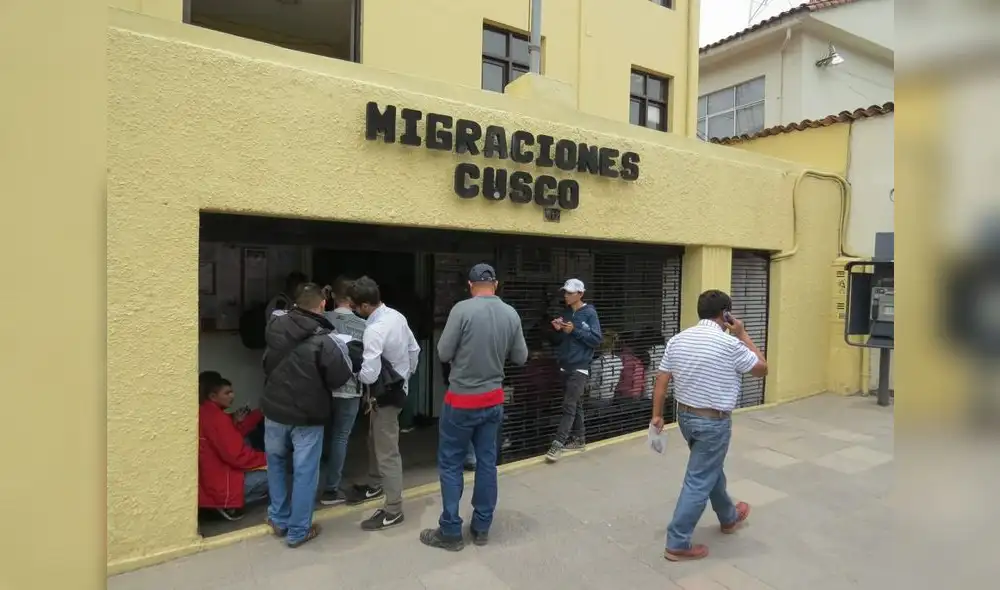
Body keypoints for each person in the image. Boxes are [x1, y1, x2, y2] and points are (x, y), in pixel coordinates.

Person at [651, 289, 768, 562]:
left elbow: (661, 379)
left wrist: (657, 415)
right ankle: (677, 542)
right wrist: (741, 333)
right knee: (699, 478)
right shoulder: (730, 344)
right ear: (725, 314)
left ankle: (729, 517)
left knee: (708, 467)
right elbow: (763, 368)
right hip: (712, 421)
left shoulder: (678, 340)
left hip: (686, 418)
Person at [420, 263, 528, 551]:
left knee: (452, 464)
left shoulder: (462, 310)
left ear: (470, 285)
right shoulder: (510, 313)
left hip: (461, 401)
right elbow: (521, 356)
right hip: (493, 399)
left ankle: (451, 531)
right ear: (496, 284)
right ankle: (481, 528)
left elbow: (443, 352)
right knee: (487, 463)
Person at [260, 283, 355, 548]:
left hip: (274, 409)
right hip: (307, 415)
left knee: (276, 462)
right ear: (322, 304)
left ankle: (279, 519)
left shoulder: (274, 327)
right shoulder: (324, 339)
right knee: (305, 470)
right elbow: (339, 378)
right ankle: (298, 530)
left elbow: (266, 363)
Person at [346, 276, 421, 531]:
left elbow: (369, 373)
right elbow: (415, 349)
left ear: (366, 305)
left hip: (385, 398)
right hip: (398, 391)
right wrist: (406, 376)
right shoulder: (397, 317)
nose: (355, 312)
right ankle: (376, 483)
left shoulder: (374, 330)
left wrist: (354, 371)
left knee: (387, 452)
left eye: (356, 308)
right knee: (374, 440)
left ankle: (393, 509)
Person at [319, 277, 368, 506]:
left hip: (323, 387)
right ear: (352, 298)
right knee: (340, 437)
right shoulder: (364, 325)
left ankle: (313, 483)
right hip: (351, 388)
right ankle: (331, 488)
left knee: (318, 436)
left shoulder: (321, 320)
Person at [545, 278, 602, 463]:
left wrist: (574, 330)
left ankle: (558, 444)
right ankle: (579, 439)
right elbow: (560, 341)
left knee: (568, 406)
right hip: (565, 365)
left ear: (580, 294)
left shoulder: (590, 313)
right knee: (575, 404)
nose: (566, 296)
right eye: (565, 292)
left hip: (580, 368)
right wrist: (557, 330)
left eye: (570, 293)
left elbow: (596, 339)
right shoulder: (566, 313)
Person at [198, 374, 268, 521]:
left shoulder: (204, 412)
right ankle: (228, 505)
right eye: (227, 393)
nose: (232, 396)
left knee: (248, 443)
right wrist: (270, 458)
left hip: (209, 484)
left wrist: (257, 414)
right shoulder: (218, 419)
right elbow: (237, 456)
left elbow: (232, 436)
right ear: (212, 396)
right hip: (222, 488)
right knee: (278, 474)